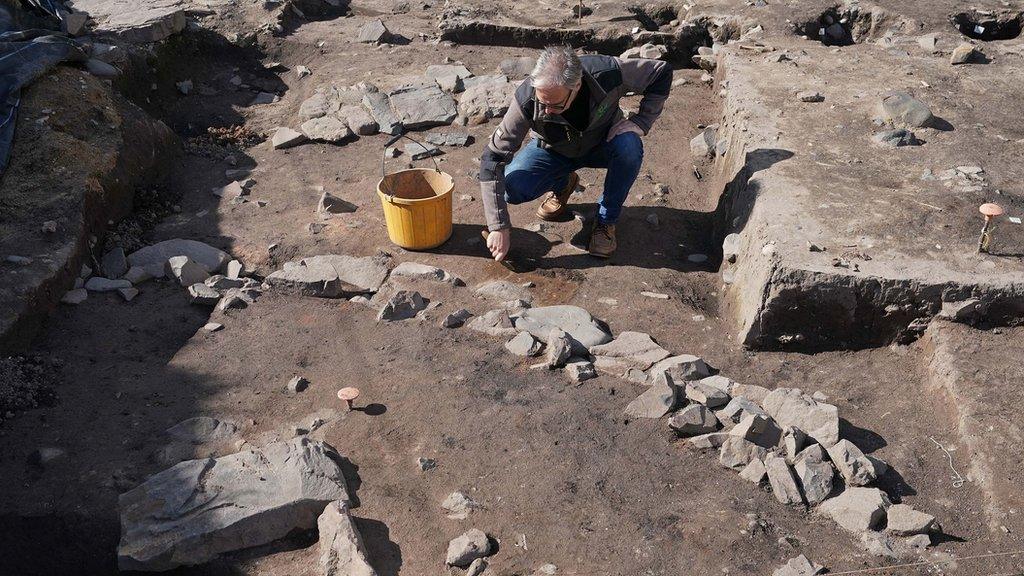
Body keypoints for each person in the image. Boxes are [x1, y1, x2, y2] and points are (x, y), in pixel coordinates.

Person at [478, 45, 672, 260]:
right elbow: (492, 158)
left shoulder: (607, 73)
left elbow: (661, 72)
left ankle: (605, 221)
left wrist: (642, 121)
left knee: (629, 145)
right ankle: (562, 184)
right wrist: (498, 226)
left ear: (576, 85)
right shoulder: (526, 98)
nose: (546, 110)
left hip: (604, 144)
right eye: (543, 103)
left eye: (555, 105)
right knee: (512, 188)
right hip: (554, 151)